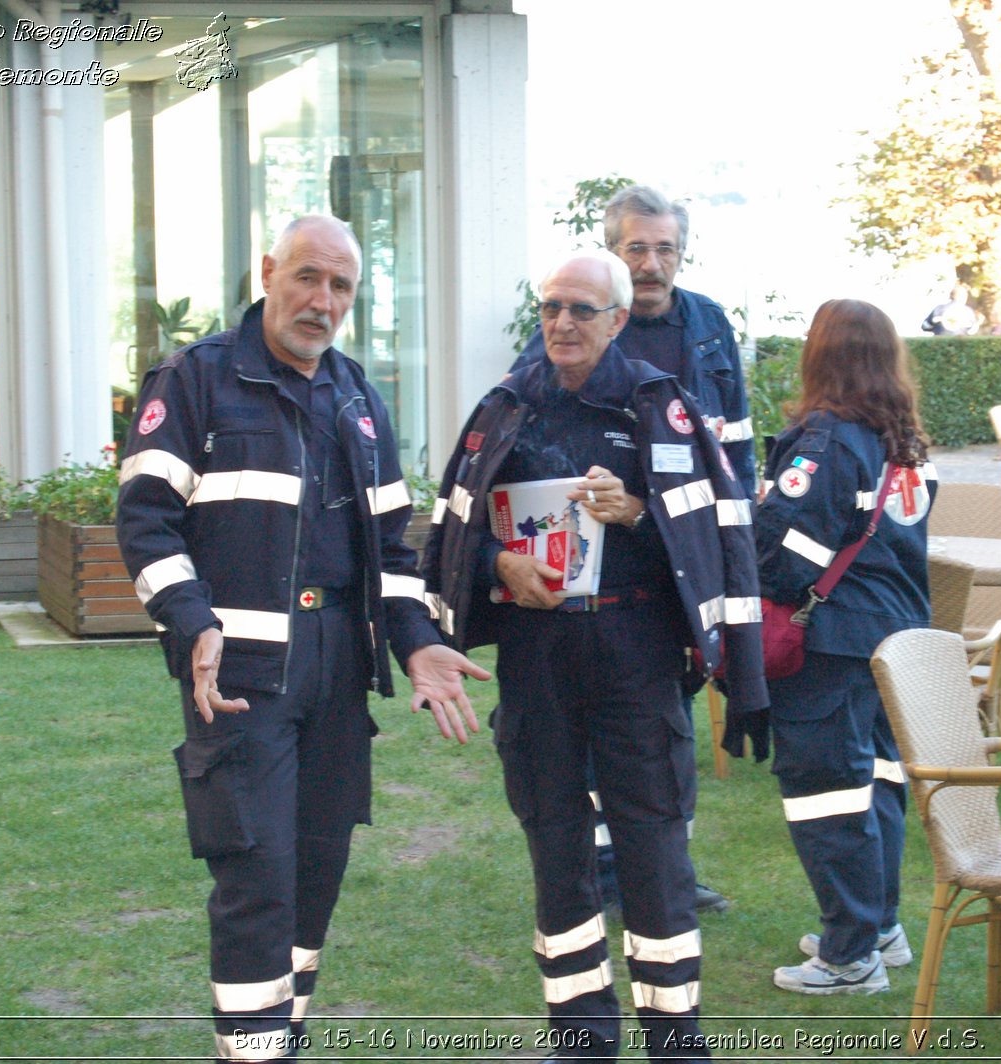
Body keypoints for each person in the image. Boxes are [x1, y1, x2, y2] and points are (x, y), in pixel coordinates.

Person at [115, 214, 489, 1063]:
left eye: (341, 287)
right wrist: (191, 618)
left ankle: (273, 1041)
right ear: (268, 272)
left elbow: (393, 549)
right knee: (257, 880)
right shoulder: (196, 378)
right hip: (239, 673)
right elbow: (145, 522)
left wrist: (417, 641)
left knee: (314, 878)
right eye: (308, 278)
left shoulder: (358, 396)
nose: (322, 301)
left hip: (336, 674)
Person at [422, 250, 766, 1059]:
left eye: (581, 310)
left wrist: (641, 512)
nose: (562, 324)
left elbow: (721, 538)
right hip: (537, 659)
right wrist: (496, 567)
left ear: (617, 321)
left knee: (653, 848)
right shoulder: (505, 407)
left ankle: (675, 1039)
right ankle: (580, 1037)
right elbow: (450, 539)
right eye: (551, 308)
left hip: (635, 656)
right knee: (556, 848)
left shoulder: (660, 405)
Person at [512, 185, 751, 912]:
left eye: (665, 249)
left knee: (666, 727)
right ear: (613, 256)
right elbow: (525, 440)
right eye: (636, 249)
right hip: (595, 577)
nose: (652, 264)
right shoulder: (572, 324)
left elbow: (732, 446)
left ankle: (661, 863)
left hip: (683, 558)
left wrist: (734, 542)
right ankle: (606, 872)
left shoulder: (708, 326)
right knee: (598, 732)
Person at [753, 299, 935, 995]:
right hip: (896, 637)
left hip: (831, 641)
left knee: (826, 794)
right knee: (880, 782)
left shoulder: (826, 440)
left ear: (820, 354)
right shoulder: (905, 443)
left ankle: (849, 956)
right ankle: (877, 927)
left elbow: (784, 552)